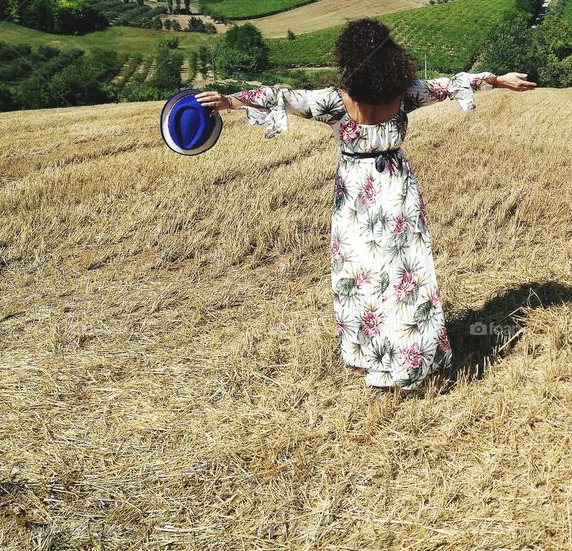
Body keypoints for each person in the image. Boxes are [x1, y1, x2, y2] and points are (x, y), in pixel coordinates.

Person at [196, 19, 535, 390]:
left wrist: (229, 101)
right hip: (396, 186)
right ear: (392, 56)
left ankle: (369, 353)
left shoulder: (333, 101)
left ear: (348, 58)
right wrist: (499, 78)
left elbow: (280, 95)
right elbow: (453, 84)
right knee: (405, 272)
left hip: (355, 192)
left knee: (361, 273)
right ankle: (410, 355)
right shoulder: (405, 95)